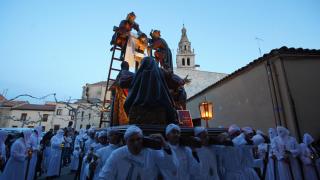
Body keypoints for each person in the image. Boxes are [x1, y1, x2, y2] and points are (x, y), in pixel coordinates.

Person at [99, 125, 176, 179]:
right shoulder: (117, 154)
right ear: (126, 141)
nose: (136, 143)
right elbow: (105, 176)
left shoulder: (152, 153)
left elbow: (171, 166)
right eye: (132, 140)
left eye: (138, 139)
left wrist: (165, 145)